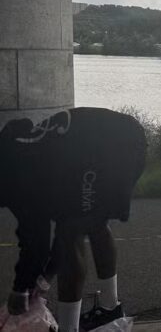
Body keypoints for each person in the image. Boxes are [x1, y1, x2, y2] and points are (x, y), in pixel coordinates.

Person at [1, 107, 146, 332]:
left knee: (70, 232)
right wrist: (41, 281)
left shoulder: (14, 180)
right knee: (94, 222)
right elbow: (22, 125)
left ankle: (70, 328)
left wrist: (21, 290)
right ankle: (110, 309)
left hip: (108, 150)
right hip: (126, 134)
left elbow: (36, 243)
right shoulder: (12, 149)